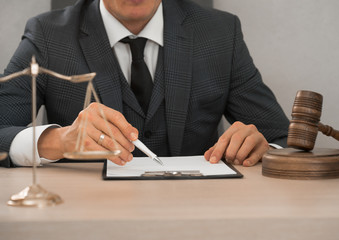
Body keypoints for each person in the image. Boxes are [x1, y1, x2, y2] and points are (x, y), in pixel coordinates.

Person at [0, 0, 289, 168]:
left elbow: (282, 139)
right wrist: (58, 141)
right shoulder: (48, 35)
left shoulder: (220, 33)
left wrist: (263, 148)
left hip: (199, 217)